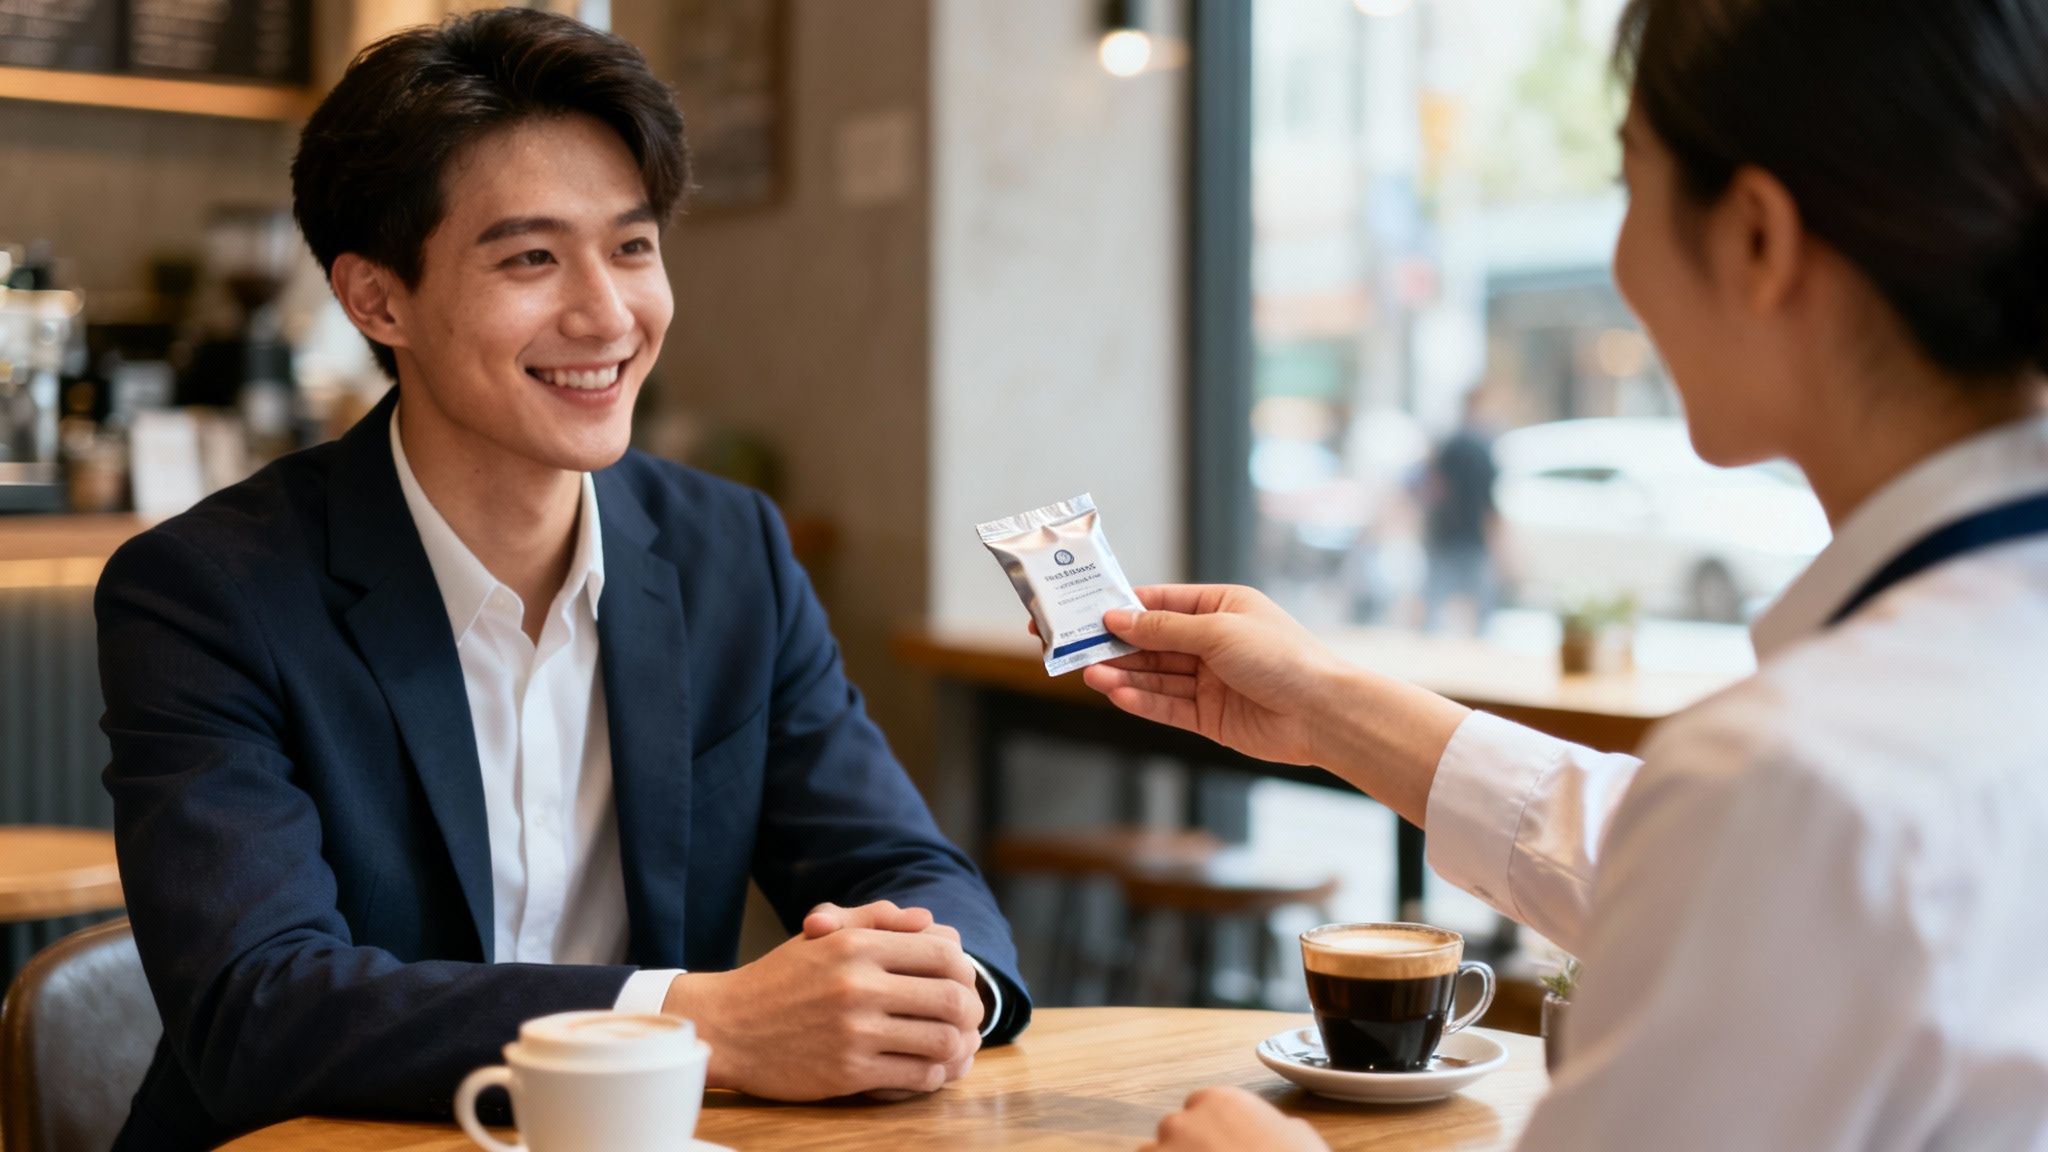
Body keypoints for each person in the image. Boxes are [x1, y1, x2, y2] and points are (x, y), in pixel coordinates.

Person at [1119, 0, 2048, 1148]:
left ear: (1754, 237)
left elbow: (1750, 852)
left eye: (1628, 183)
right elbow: (1709, 876)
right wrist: (1323, 703)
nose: (1621, 261)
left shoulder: (1798, 775)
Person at [94, 12, 1025, 1149]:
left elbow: (899, 863)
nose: (606, 314)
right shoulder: (205, 592)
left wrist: (942, 988)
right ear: (377, 300)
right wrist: (701, 1020)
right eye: (531, 258)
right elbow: (260, 1009)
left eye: (632, 247)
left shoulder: (728, 551)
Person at [1419, 388, 1501, 634]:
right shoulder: (1483, 447)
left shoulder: (1450, 444)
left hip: (1447, 533)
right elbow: (1490, 502)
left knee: (1436, 600)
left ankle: (1428, 643)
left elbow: (1433, 488)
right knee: (1482, 605)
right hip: (1467, 535)